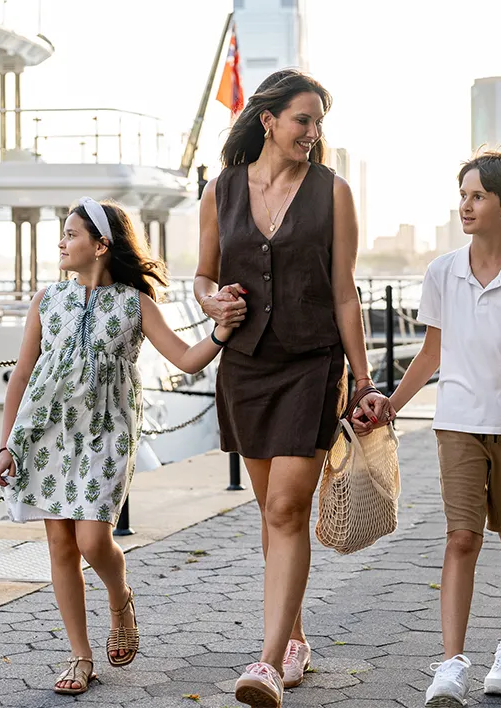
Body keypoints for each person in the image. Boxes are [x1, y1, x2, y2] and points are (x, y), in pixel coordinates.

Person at [194, 69, 394, 708]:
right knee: (270, 510)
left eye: (318, 123)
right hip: (246, 368)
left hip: (312, 365)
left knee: (286, 508)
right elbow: (200, 277)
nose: (312, 133)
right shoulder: (219, 191)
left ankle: (269, 661)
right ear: (268, 120)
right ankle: (297, 638)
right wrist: (213, 301)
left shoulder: (333, 193)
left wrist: (363, 381)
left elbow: (344, 292)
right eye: (302, 120)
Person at [0, 197, 240, 695]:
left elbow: (187, 358)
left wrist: (221, 331)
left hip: (107, 432)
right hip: (47, 433)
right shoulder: (47, 301)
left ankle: (119, 594)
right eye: (62, 234)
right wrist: (7, 444)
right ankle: (80, 658)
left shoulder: (133, 303)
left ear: (102, 245)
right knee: (61, 546)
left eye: (72, 234)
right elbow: (22, 375)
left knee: (91, 540)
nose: (61, 242)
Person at [388, 147, 501, 706]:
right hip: (458, 421)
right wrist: (390, 405)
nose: (464, 205)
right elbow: (430, 352)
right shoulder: (442, 271)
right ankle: (450, 663)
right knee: (461, 536)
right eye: (462, 194)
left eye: (477, 196)